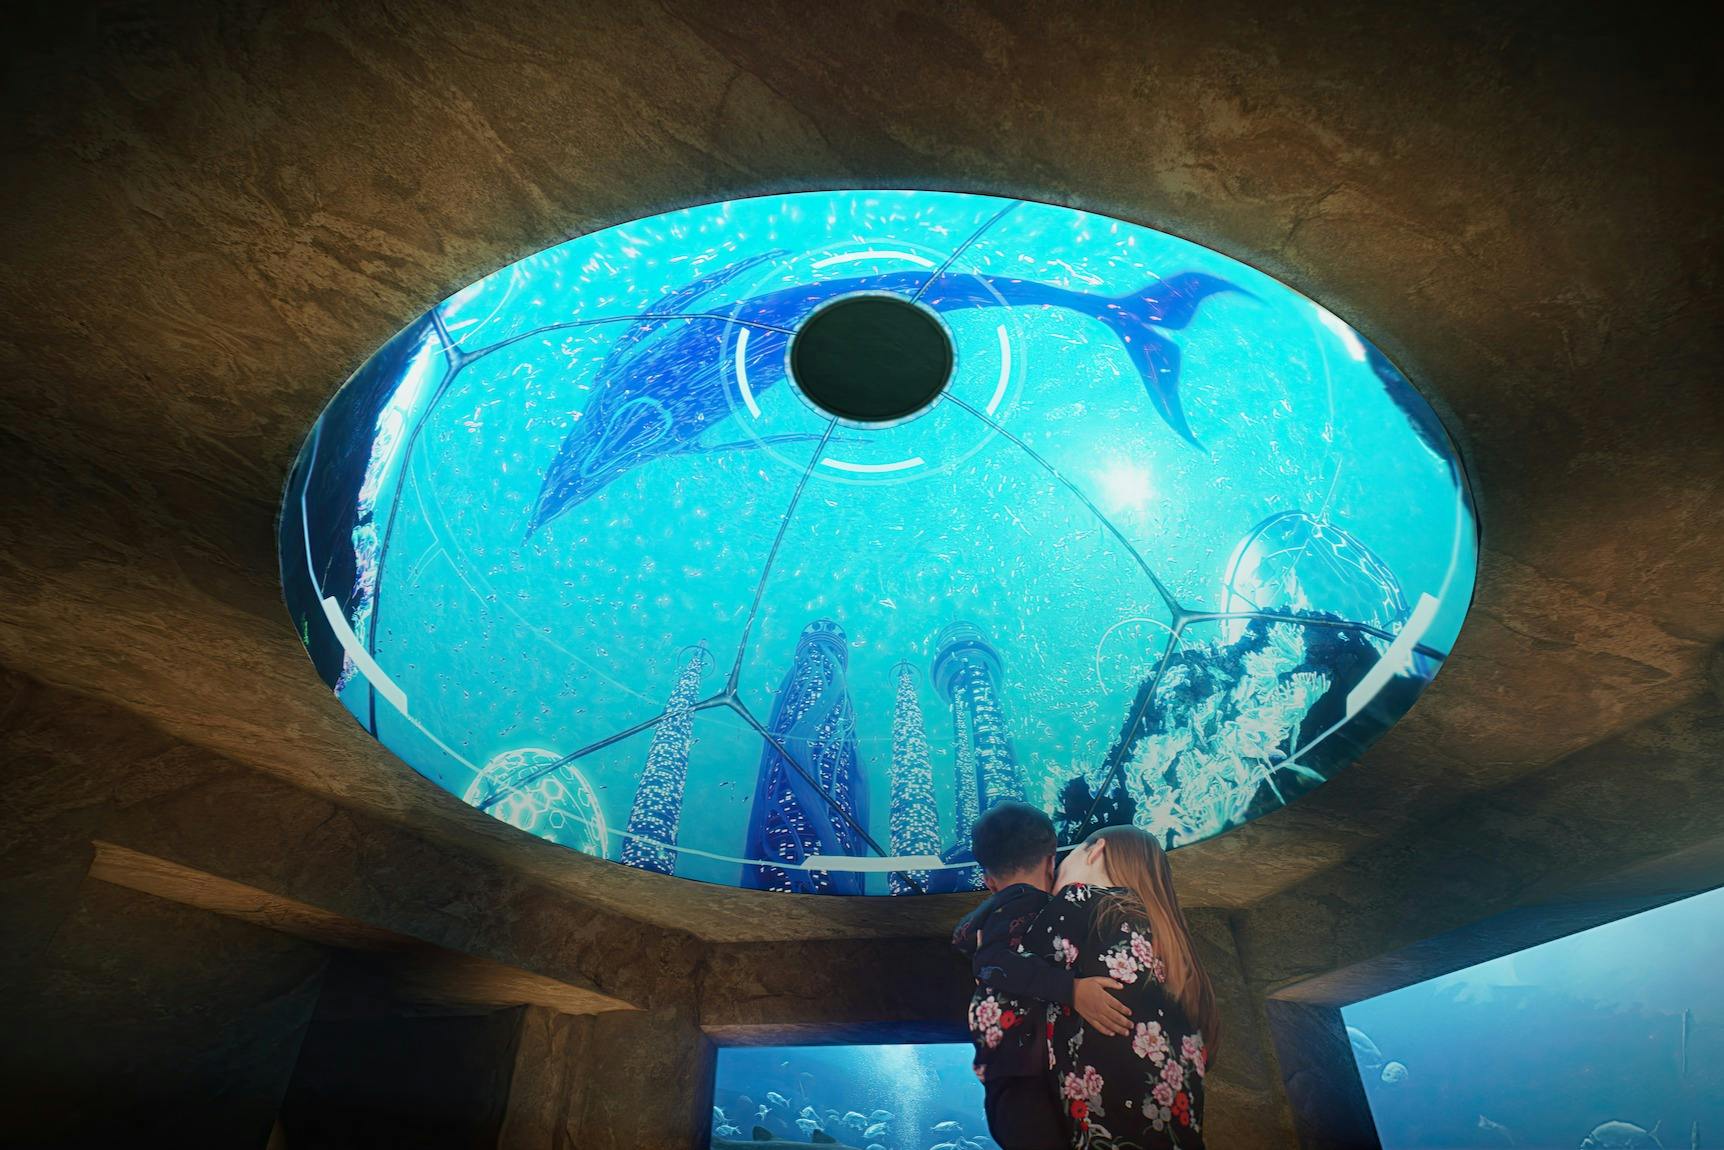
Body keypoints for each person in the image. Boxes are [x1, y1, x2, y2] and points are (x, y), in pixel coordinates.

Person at [1024, 825, 1221, 1149]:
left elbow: (1009, 970)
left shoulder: (1079, 899)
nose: (1055, 872)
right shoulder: (1173, 950)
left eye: (1064, 859)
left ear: (1095, 851)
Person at [953, 803, 1134, 1150]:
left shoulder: (1000, 912)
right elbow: (992, 960)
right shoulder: (1022, 902)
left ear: (989, 882)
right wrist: (1071, 990)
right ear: (1052, 863)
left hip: (1014, 1075)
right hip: (1021, 1074)